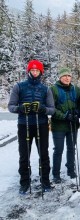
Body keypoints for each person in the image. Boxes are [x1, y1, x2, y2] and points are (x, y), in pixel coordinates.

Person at [8, 60, 55, 194]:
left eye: (37, 71)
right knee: (24, 155)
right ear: (28, 71)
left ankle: (45, 181)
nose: (35, 73)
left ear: (41, 72)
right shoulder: (19, 87)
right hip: (24, 125)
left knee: (44, 154)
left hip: (41, 125)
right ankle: (24, 182)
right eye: (32, 70)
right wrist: (20, 108)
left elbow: (52, 109)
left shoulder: (46, 89)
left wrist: (43, 109)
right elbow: (11, 106)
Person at [50, 68, 80, 183]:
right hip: (59, 125)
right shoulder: (53, 90)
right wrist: (64, 116)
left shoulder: (76, 90)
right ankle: (56, 174)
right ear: (60, 77)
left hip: (72, 124)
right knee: (58, 149)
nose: (67, 78)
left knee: (71, 148)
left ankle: (70, 169)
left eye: (69, 76)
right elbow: (51, 108)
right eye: (64, 76)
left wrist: (76, 113)